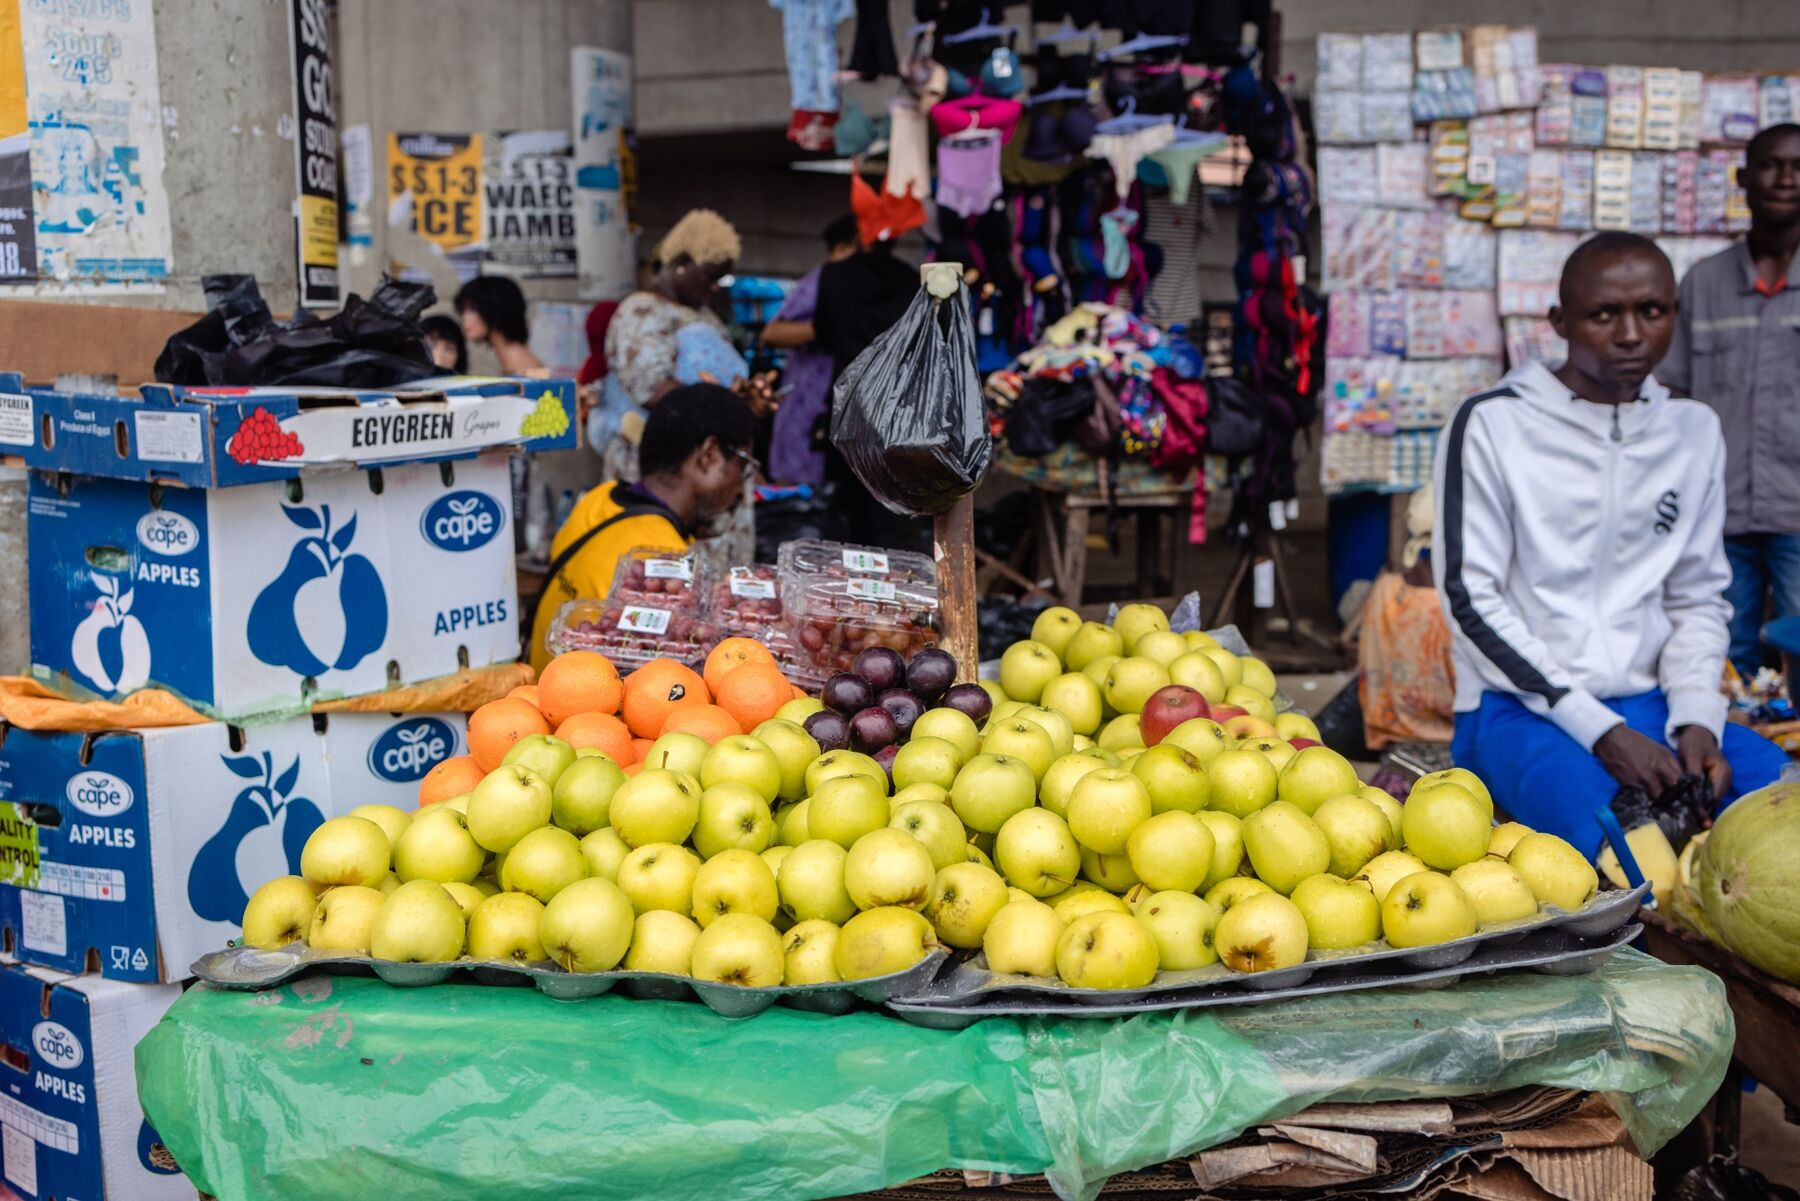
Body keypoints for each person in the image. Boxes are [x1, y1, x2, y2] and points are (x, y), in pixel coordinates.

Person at [1434, 232, 1788, 860]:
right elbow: (1469, 599)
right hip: (1519, 707)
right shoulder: (1492, 424)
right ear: (1559, 322)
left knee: (1771, 802)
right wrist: (1600, 730)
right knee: (1619, 848)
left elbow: (1698, 597)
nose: (1630, 334)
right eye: (1604, 315)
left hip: (1654, 703)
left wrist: (1698, 719)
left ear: (1675, 315)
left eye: (1651, 311)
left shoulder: (1692, 431)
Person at [1658, 123, 1800, 681]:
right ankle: (1731, 763)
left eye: (1797, 166)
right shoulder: (1702, 283)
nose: (1785, 178)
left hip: (1797, 513)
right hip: (1718, 514)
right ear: (1742, 179)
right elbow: (1672, 396)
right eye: (1770, 165)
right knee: (1720, 657)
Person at [527, 383, 757, 670]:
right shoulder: (666, 563)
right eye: (743, 466)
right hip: (579, 703)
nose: (739, 487)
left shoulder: (600, 497)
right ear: (709, 455)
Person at [759, 214, 859, 484]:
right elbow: (772, 333)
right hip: (806, 407)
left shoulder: (855, 286)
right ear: (842, 248)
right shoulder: (820, 283)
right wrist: (823, 329)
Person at [454, 276, 545, 374]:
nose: (463, 318)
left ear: (495, 310)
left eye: (473, 309)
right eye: (463, 310)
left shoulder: (524, 371)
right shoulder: (516, 367)